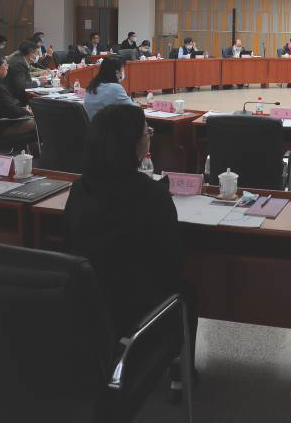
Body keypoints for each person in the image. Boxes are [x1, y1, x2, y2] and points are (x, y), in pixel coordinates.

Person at [65, 104, 197, 392]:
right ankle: (182, 375)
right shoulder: (152, 196)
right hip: (137, 312)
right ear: (134, 146)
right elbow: (172, 265)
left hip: (87, 306)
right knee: (187, 291)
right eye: (146, 133)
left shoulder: (78, 190)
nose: (149, 137)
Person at [0, 54, 37, 138]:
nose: (8, 67)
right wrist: (27, 112)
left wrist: (22, 109)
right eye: (5, 65)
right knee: (42, 120)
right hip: (2, 127)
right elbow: (12, 111)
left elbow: (5, 106)